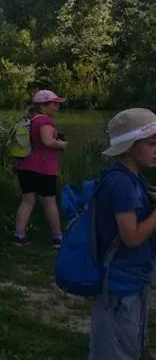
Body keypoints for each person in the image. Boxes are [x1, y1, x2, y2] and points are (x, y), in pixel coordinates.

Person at [89, 108, 156, 360]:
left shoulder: (133, 178)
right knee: (117, 351)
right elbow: (132, 237)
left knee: (128, 345)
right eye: (151, 143)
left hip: (132, 279)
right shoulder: (122, 184)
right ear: (129, 146)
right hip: (119, 285)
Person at [13, 90, 68, 247]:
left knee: (27, 202)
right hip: (43, 168)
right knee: (49, 202)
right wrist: (62, 144)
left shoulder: (29, 120)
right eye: (54, 104)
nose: (57, 107)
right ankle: (57, 238)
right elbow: (48, 142)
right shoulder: (44, 121)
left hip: (25, 167)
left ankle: (19, 235)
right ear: (44, 106)